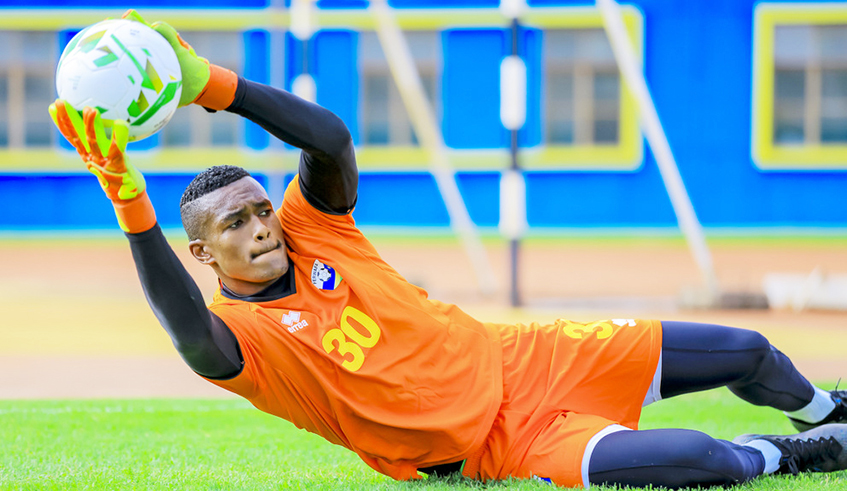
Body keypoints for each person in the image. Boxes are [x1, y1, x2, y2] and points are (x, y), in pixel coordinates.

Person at [49, 10, 847, 489]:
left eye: (260, 207)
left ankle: (827, 409)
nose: (261, 224)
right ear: (203, 253)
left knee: (746, 350)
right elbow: (190, 334)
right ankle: (789, 454)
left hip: (524, 356)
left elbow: (328, 140)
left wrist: (208, 83)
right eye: (235, 224)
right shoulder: (242, 336)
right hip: (495, 441)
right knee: (706, 458)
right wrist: (129, 202)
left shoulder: (314, 229)